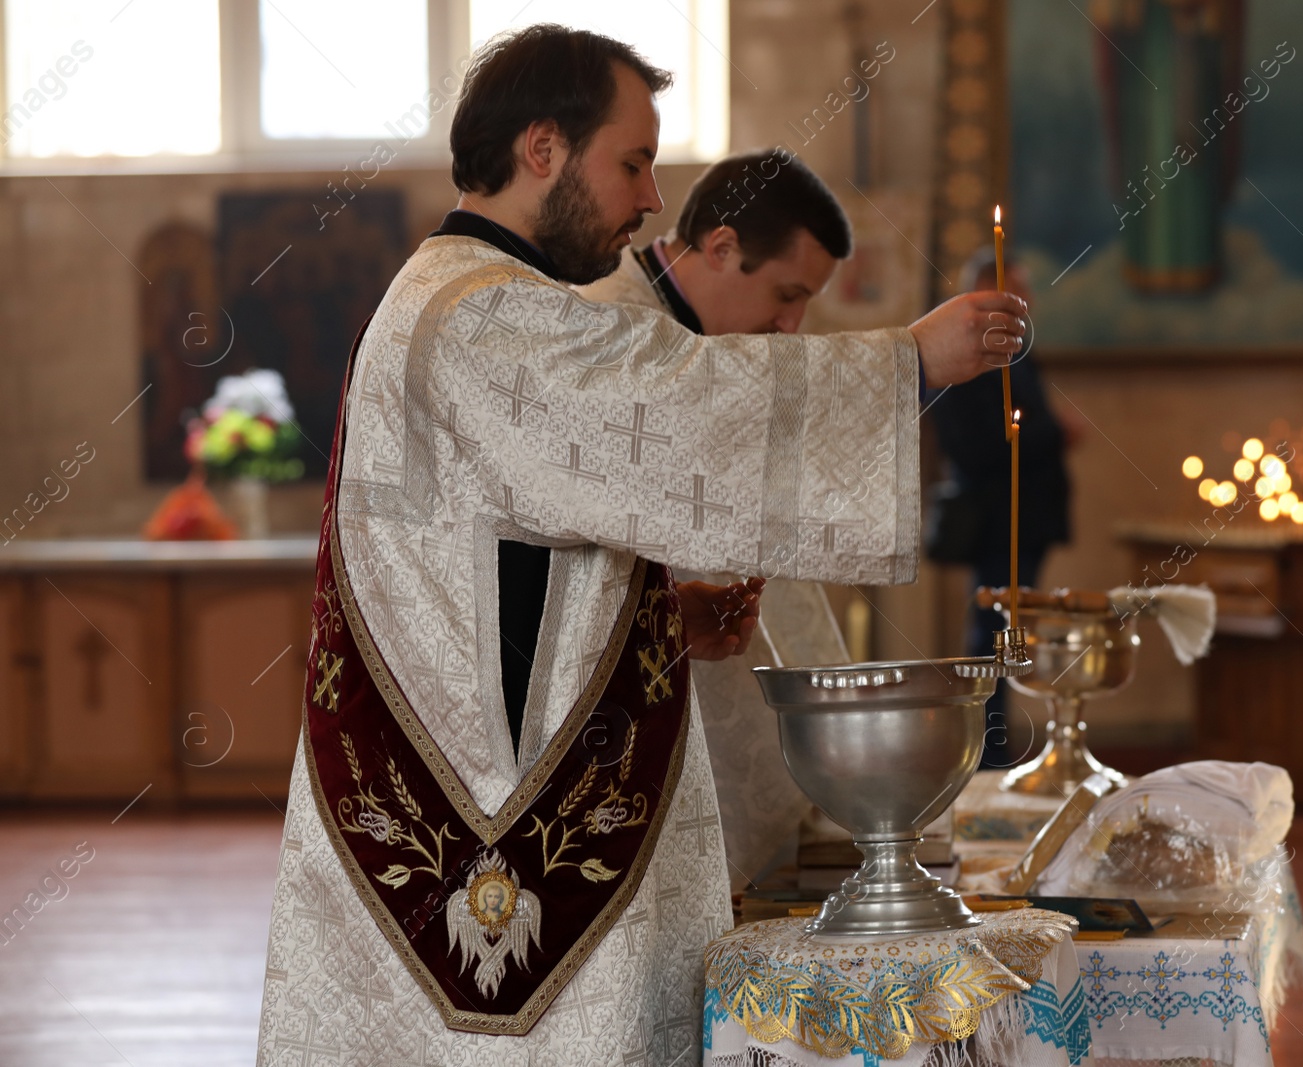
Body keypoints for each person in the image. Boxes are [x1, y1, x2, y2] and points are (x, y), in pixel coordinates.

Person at [254, 24, 1026, 1067]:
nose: (653, 197)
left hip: (484, 787)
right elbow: (675, 399)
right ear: (541, 150)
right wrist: (909, 361)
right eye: (631, 161)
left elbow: (512, 558)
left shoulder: (461, 295)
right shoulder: (484, 315)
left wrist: (662, 616)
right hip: (494, 827)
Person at [576, 148, 854, 887]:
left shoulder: (732, 345)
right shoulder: (605, 329)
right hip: (643, 720)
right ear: (723, 246)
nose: (792, 324)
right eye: (787, 294)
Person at [926, 251, 1071, 768]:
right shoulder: (963, 360)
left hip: (1028, 515)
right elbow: (976, 446)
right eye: (1017, 292)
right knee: (992, 636)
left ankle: (997, 745)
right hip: (996, 520)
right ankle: (987, 751)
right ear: (986, 294)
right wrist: (1049, 434)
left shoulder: (1017, 354)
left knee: (1012, 633)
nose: (1027, 303)